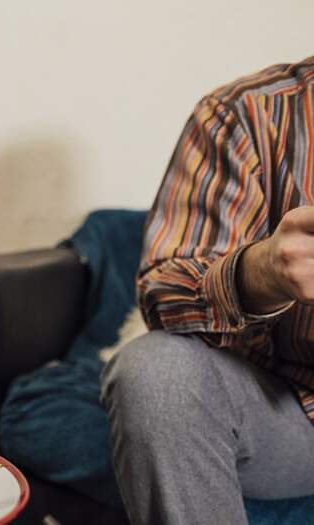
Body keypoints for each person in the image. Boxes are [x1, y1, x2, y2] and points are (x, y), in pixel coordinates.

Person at [102, 56, 314, 524]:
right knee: (157, 372)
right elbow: (162, 290)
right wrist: (263, 272)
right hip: (293, 414)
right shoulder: (242, 114)